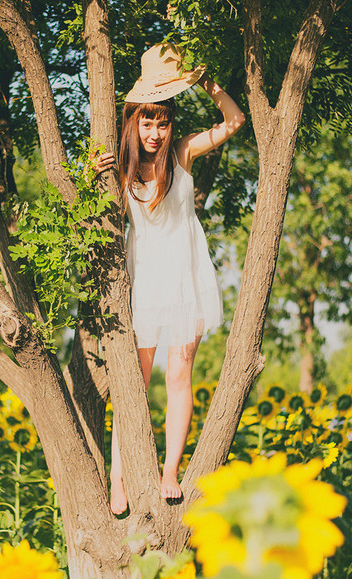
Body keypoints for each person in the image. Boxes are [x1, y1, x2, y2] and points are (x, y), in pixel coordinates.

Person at [95, 44, 245, 514]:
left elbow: (235, 123)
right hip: (144, 280)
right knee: (133, 384)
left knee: (179, 376)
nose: (155, 132)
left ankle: (169, 472)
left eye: (162, 121)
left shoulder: (182, 154)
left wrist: (205, 83)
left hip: (185, 277)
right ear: (133, 121)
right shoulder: (120, 167)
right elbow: (84, 199)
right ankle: (118, 480)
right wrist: (88, 172)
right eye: (147, 121)